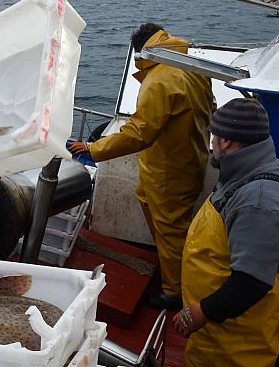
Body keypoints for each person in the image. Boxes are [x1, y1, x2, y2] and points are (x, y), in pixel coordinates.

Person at [68, 23, 213, 310]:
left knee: (171, 229)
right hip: (186, 160)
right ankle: (172, 269)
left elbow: (139, 132)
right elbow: (211, 105)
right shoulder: (193, 66)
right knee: (151, 206)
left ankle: (175, 291)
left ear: (143, 50)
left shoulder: (160, 79)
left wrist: (93, 149)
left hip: (169, 171)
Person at [172, 98, 279, 366]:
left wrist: (199, 312)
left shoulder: (261, 200)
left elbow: (251, 282)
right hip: (218, 330)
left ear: (227, 142)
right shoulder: (244, 173)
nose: (212, 143)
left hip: (233, 340)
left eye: (214, 136)